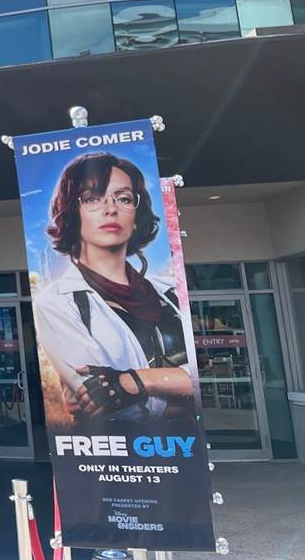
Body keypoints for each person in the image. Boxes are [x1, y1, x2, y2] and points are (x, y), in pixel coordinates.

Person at [32, 152, 193, 423]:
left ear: (136, 216)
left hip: (187, 444)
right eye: (93, 198)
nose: (111, 208)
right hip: (117, 446)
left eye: (124, 198)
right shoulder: (56, 303)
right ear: (73, 212)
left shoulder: (170, 291)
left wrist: (135, 381)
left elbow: (203, 375)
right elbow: (110, 405)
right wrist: (184, 387)